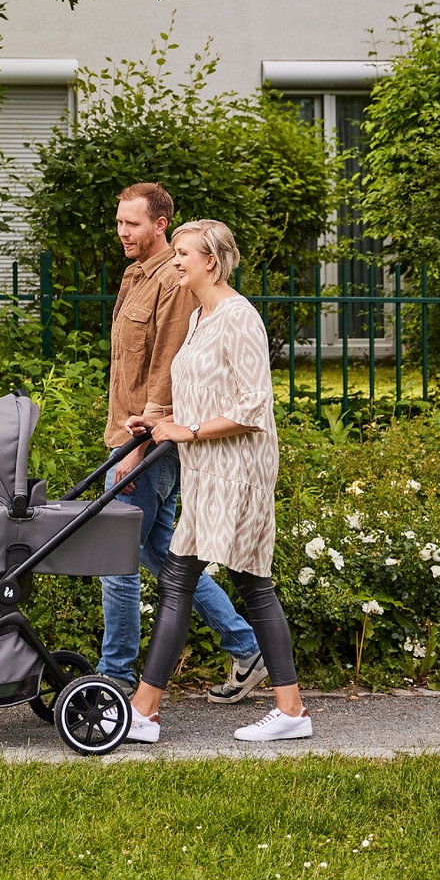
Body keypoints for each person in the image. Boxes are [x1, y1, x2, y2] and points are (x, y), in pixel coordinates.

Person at [124, 219, 312, 743]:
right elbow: (201, 389)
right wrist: (157, 420)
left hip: (239, 472)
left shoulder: (238, 317)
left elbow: (253, 407)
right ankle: (291, 710)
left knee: (184, 577)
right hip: (207, 471)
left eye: (184, 253)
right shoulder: (200, 318)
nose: (176, 261)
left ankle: (145, 709)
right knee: (251, 584)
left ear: (212, 260)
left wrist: (187, 430)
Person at [99, 183, 265, 702]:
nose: (123, 232)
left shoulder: (174, 280)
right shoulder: (136, 274)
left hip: (150, 443)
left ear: (160, 225)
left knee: (115, 556)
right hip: (136, 435)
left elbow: (169, 369)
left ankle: (116, 675)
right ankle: (246, 646)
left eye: (133, 223)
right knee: (159, 554)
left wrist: (138, 448)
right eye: (121, 222)